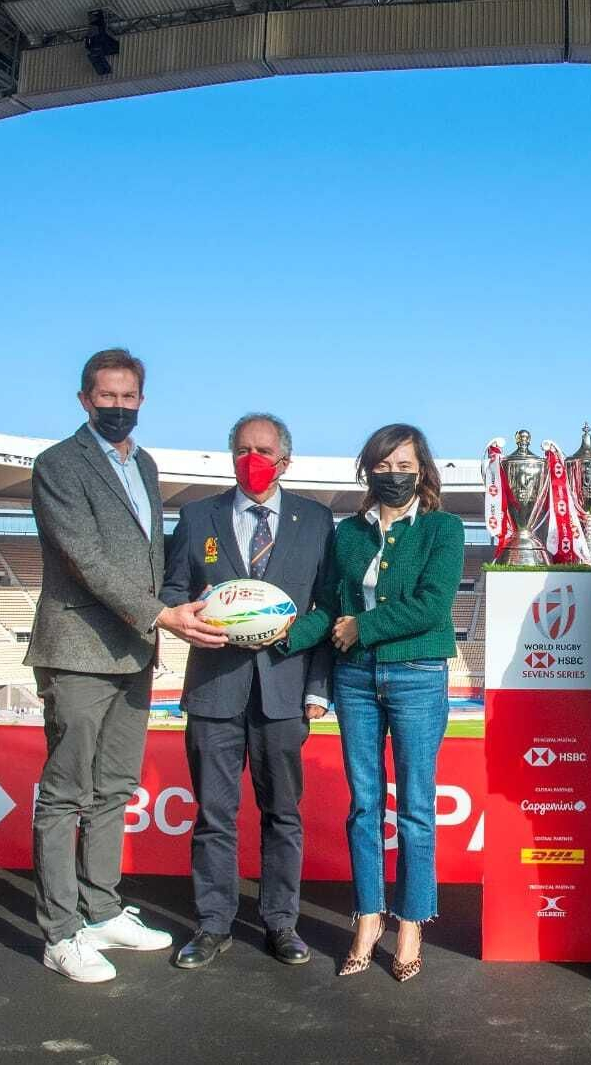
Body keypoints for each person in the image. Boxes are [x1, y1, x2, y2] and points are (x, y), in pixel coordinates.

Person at [25, 348, 227, 983]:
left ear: (142, 400)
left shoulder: (144, 464)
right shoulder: (58, 464)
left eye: (128, 396)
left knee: (114, 788)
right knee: (65, 794)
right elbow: (84, 557)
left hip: (133, 650)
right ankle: (60, 932)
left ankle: (102, 909)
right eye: (107, 396)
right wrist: (162, 614)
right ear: (85, 400)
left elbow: (149, 557)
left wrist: (193, 596)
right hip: (79, 648)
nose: (118, 406)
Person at [160, 413, 334, 971]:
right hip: (214, 689)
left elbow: (328, 606)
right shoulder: (196, 516)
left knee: (283, 814)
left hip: (284, 691)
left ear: (285, 460)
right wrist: (191, 613)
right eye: (241, 450)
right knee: (214, 815)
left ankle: (281, 922)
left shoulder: (316, 520)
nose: (251, 460)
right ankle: (212, 924)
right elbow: (171, 590)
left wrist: (318, 688)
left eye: (262, 450)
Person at [303, 424, 465, 981]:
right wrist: (278, 636)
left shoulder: (443, 528)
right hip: (354, 678)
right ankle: (368, 916)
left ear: (422, 470)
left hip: (417, 674)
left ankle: (412, 921)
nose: (393, 474)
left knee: (416, 807)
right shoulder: (348, 533)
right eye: (383, 464)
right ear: (368, 469)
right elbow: (330, 610)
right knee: (364, 804)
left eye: (404, 465)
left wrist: (363, 628)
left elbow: (433, 605)